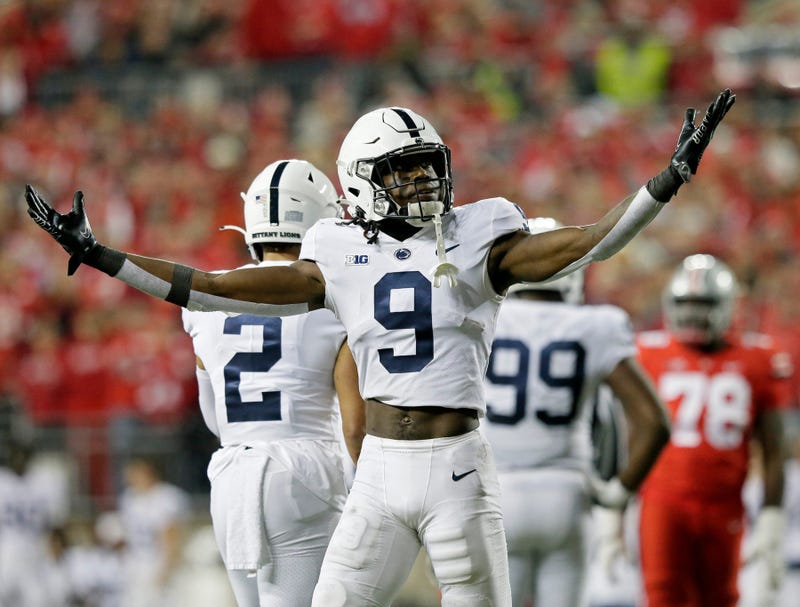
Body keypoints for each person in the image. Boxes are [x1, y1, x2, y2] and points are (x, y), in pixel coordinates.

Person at [26, 89, 734, 606]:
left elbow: (586, 242)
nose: (425, 180)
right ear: (364, 181)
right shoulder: (333, 251)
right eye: (404, 170)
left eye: (428, 165)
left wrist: (664, 183)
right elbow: (211, 286)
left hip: (458, 467)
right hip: (377, 477)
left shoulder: (481, 234)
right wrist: (103, 255)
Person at [181, 158, 363, 606]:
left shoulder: (207, 296)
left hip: (232, 474)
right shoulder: (333, 296)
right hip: (306, 471)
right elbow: (355, 425)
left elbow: (215, 418)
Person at [480, 216, 669, 607]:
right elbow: (653, 423)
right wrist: (617, 495)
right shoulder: (597, 325)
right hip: (567, 492)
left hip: (495, 492)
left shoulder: (481, 319)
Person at [635, 254, 794, 607]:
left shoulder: (758, 358)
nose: (693, 313)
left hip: (725, 504)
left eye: (703, 303)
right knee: (662, 596)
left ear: (726, 306)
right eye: (685, 303)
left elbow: (773, 447)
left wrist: (771, 516)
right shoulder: (647, 352)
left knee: (720, 599)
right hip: (663, 501)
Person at [118, 455, 191, 607]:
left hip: (158, 564)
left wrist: (165, 570)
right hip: (135, 566)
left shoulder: (167, 498)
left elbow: (172, 537)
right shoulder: (129, 498)